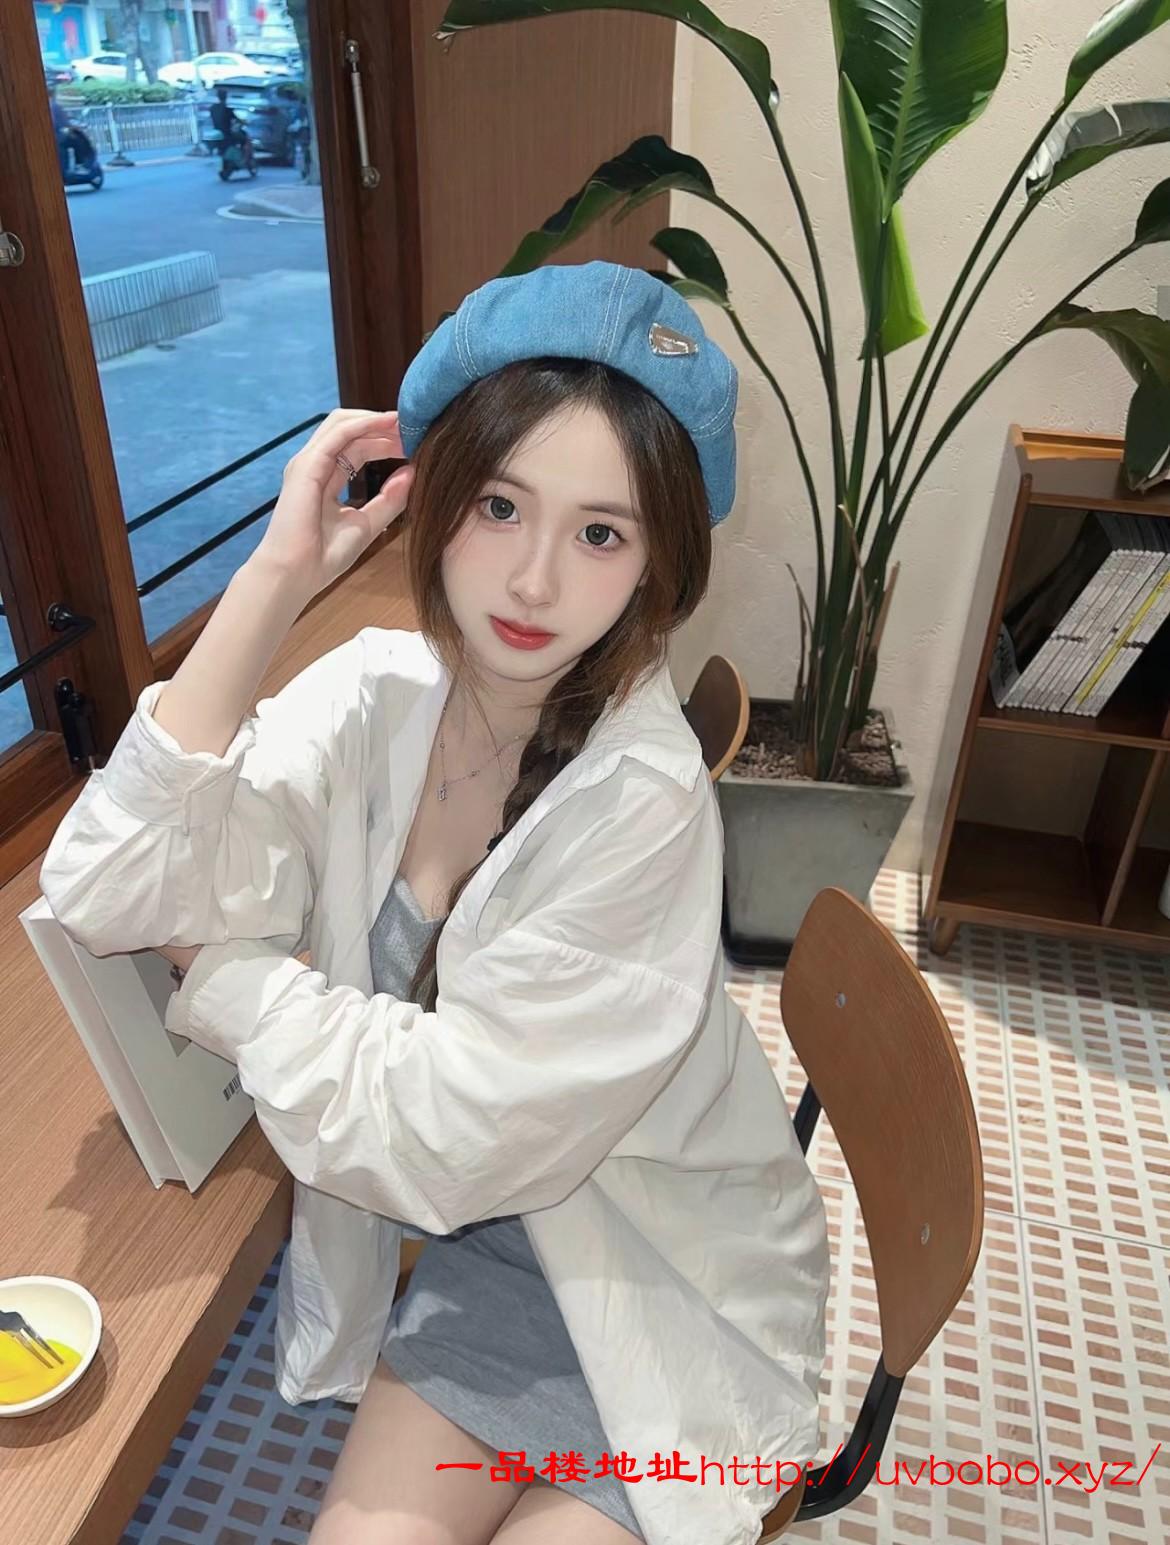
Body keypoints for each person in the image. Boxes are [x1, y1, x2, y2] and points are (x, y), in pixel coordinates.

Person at [38, 261, 830, 1545]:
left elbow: (445, 1139)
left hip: (655, 1268)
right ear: (439, 496)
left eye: (601, 533)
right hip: (492, 1254)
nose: (533, 583)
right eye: (500, 506)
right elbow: (106, 885)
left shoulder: (641, 802)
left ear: (655, 568)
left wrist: (225, 977)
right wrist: (277, 576)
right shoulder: (379, 692)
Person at [209, 83, 245, 156]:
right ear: (226, 96)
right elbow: (237, 120)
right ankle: (242, 155)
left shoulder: (213, 108)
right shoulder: (227, 109)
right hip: (227, 134)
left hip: (217, 131)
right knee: (243, 137)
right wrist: (243, 122)